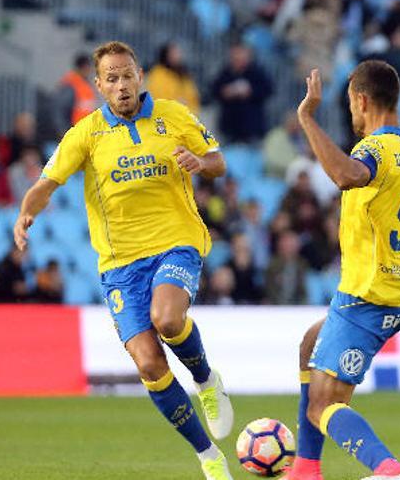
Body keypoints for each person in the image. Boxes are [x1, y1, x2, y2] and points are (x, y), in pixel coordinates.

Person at [12, 41, 234, 480]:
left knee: (168, 319)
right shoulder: (86, 133)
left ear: (140, 76)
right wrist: (26, 211)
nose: (121, 84)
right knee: (149, 363)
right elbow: (47, 180)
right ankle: (208, 453)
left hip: (176, 242)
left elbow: (218, 162)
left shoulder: (174, 115)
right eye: (111, 78)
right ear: (99, 86)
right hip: (120, 264)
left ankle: (207, 381)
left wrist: (199, 162)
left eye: (127, 75)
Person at [287, 61, 400, 480]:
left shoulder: (375, 148)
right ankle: (304, 468)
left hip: (368, 296)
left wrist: (306, 117)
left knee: (325, 405)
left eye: (351, 104)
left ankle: (390, 470)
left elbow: (346, 175)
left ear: (361, 99)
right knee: (310, 345)